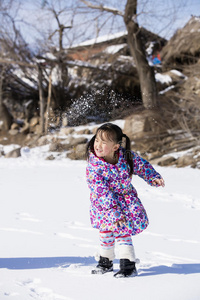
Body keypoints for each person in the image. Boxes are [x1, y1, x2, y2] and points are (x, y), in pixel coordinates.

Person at [86, 123, 165, 277]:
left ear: (115, 147)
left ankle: (128, 265)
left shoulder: (126, 156)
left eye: (103, 142)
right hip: (104, 205)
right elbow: (100, 191)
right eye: (97, 140)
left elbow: (141, 166)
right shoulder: (94, 166)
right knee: (105, 232)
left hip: (126, 202)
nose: (98, 145)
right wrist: (113, 211)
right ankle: (105, 262)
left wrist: (153, 177)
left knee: (123, 231)